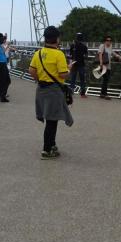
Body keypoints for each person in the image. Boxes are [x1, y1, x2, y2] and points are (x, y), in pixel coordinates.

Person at [29, 26, 73, 160]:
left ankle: (52, 145)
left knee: (50, 120)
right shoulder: (59, 54)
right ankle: (47, 150)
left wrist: (40, 80)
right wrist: (69, 69)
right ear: (57, 38)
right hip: (53, 91)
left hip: (41, 90)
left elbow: (31, 70)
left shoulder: (38, 53)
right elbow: (62, 74)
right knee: (52, 122)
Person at [97, 35, 121, 100]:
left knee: (106, 80)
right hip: (103, 66)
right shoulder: (102, 46)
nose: (109, 42)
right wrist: (101, 63)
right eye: (107, 40)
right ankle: (105, 94)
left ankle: (102, 93)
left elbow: (112, 52)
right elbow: (100, 54)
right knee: (105, 79)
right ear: (105, 41)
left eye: (110, 41)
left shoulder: (110, 47)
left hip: (108, 66)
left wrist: (117, 56)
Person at [69, 32, 88, 98]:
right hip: (81, 64)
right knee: (82, 78)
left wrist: (70, 63)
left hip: (74, 64)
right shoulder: (84, 46)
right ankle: (82, 93)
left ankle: (71, 92)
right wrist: (83, 57)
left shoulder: (73, 45)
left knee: (73, 78)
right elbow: (86, 55)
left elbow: (70, 56)